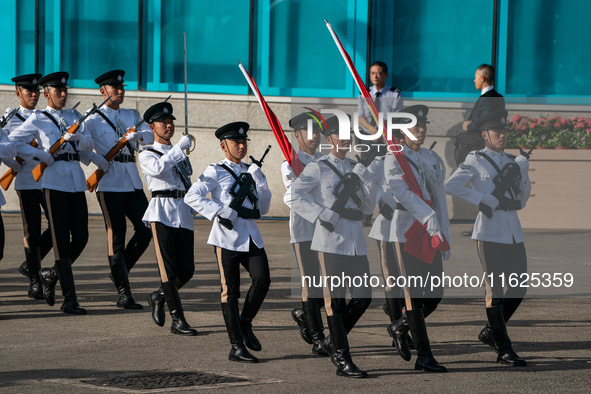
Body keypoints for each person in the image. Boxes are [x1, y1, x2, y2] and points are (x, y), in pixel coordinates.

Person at [290, 116, 375, 378]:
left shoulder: (355, 167)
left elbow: (369, 208)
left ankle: (330, 341)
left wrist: (365, 178)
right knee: (334, 303)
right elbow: (293, 195)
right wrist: (320, 214)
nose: (346, 139)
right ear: (330, 139)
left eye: (349, 134)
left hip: (356, 241)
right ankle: (341, 357)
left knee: (363, 297)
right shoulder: (319, 167)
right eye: (340, 134)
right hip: (329, 242)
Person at [445, 109, 530, 367]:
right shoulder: (476, 159)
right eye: (497, 132)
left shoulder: (512, 161)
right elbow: (451, 185)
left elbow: (522, 201)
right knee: (495, 291)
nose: (502, 136)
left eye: (504, 132)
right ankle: (504, 348)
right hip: (489, 231)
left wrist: (523, 172)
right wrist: (482, 198)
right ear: (485, 135)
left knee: (519, 287)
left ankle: (491, 331)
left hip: (513, 229)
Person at [185, 122, 272, 363]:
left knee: (263, 279)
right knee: (230, 291)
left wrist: (261, 181)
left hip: (251, 234)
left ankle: (245, 323)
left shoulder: (251, 170)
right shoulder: (215, 171)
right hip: (227, 238)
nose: (242, 146)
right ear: (224, 146)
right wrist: (220, 211)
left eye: (244, 142)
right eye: (236, 142)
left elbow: (263, 208)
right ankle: (236, 346)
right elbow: (192, 195)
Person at [9, 72, 92, 315]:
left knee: (81, 238)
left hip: (76, 180)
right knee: (60, 243)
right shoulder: (38, 119)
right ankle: (70, 300)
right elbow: (14, 142)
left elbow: (88, 146)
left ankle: (51, 274)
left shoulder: (74, 116)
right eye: (58, 91)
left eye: (65, 90)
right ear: (47, 93)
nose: (64, 95)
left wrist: (79, 138)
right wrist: (39, 155)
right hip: (54, 183)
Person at [383, 105, 450, 373]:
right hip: (407, 229)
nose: (420, 130)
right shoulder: (394, 158)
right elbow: (402, 193)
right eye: (415, 126)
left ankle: (399, 326)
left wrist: (443, 232)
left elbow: (440, 198)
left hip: (431, 229)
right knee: (414, 296)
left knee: (435, 293)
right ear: (402, 130)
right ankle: (424, 356)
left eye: (423, 126)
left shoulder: (433, 158)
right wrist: (428, 217)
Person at [84, 70, 153, 309]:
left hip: (131, 181)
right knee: (117, 236)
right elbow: (81, 145)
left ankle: (120, 271)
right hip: (109, 182)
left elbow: (150, 136)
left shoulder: (131, 114)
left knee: (146, 229)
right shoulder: (91, 120)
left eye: (122, 87)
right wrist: (96, 158)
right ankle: (124, 293)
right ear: (103, 91)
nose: (120, 91)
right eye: (115, 88)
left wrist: (138, 134)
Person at [138, 101, 196, 336]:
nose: (168, 126)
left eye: (170, 122)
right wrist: (179, 149)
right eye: (163, 122)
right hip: (161, 211)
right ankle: (178, 319)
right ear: (152, 127)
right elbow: (159, 168)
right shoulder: (146, 153)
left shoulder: (178, 154)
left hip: (182, 209)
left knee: (188, 270)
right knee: (168, 270)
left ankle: (159, 296)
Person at [2, 73, 54, 300]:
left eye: (35, 91)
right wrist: (15, 165)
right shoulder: (9, 118)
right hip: (26, 180)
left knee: (57, 226)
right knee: (31, 230)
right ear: (18, 93)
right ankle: (35, 280)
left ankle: (30, 264)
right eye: (28, 91)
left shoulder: (46, 116)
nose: (33, 95)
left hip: (50, 178)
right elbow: (5, 147)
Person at [282, 111, 327, 356]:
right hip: (304, 230)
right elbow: (293, 196)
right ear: (297, 135)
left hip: (328, 231)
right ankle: (319, 337)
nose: (315, 136)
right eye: (309, 132)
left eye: (318, 131)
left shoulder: (325, 160)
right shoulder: (290, 161)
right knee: (311, 283)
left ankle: (303, 312)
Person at [456, 64, 505, 237]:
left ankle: (484, 225)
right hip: (490, 149)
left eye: (476, 77)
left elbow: (487, 119)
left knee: (483, 188)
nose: (474, 80)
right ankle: (484, 224)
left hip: (481, 147)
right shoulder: (496, 96)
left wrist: (471, 125)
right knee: (488, 187)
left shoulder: (488, 97)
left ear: (483, 78)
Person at [357, 61, 403, 226]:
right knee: (367, 174)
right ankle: (365, 213)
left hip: (386, 139)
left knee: (385, 175)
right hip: (369, 138)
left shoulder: (394, 93)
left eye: (378, 73)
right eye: (372, 73)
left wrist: (383, 132)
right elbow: (360, 117)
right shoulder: (364, 93)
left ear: (385, 75)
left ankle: (385, 210)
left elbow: (397, 117)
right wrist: (371, 130)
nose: (375, 76)